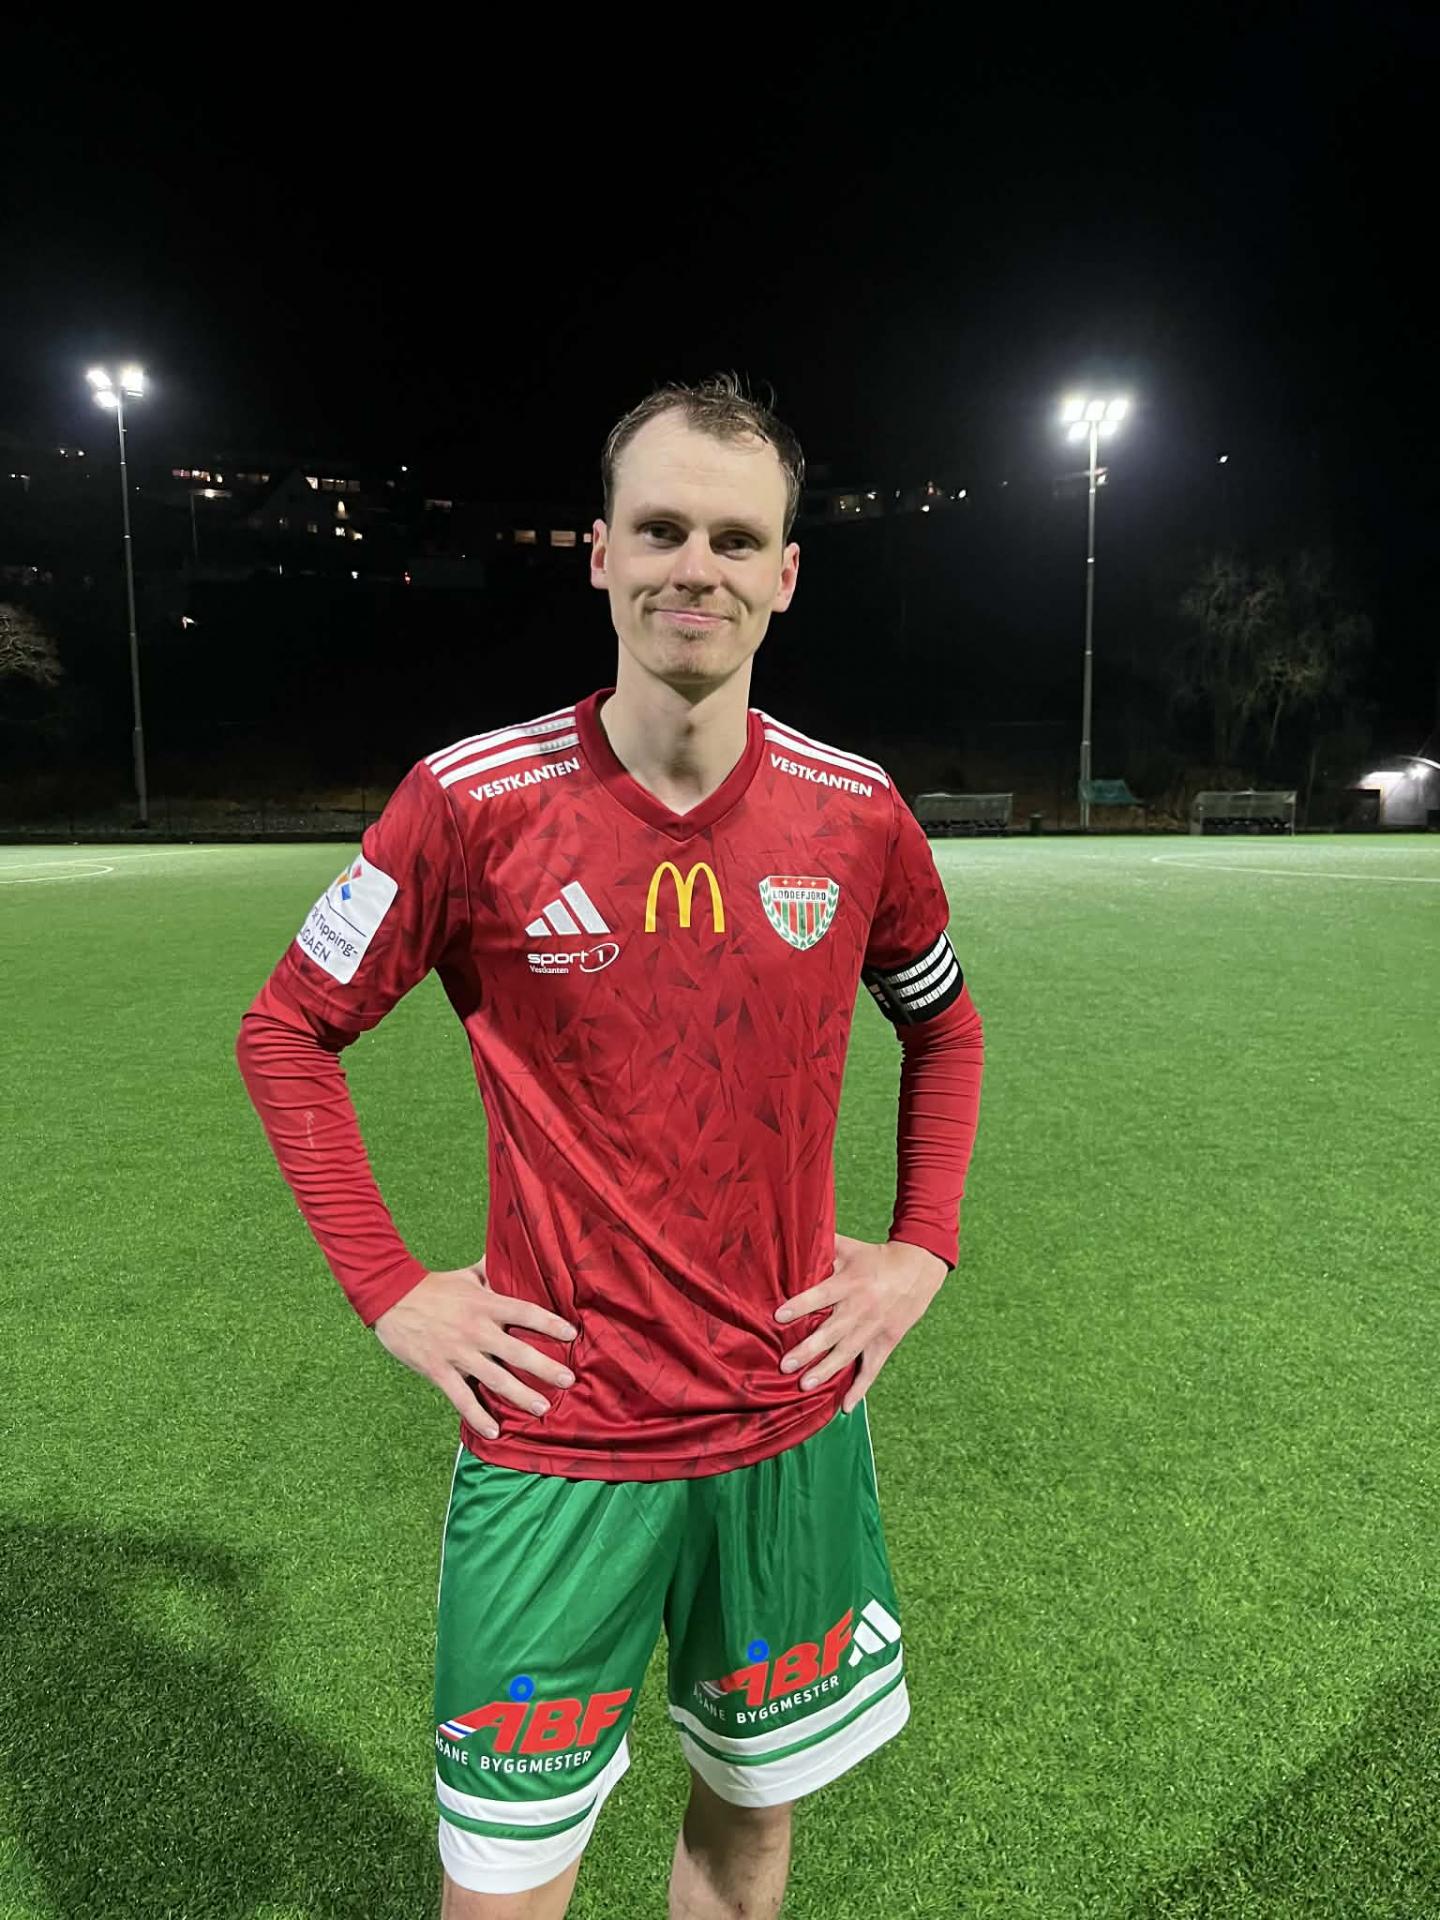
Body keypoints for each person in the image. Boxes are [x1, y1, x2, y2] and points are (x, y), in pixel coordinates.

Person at [236, 375, 985, 1919]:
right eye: (660, 529)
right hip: (559, 1440)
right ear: (599, 554)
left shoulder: (857, 815)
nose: (694, 566)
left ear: (787, 574)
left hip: (788, 1429)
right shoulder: (470, 804)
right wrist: (390, 1288)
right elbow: (287, 1030)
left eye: (736, 538)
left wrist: (922, 1247)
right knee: (504, 1886)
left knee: (749, 1830)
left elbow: (947, 1025)